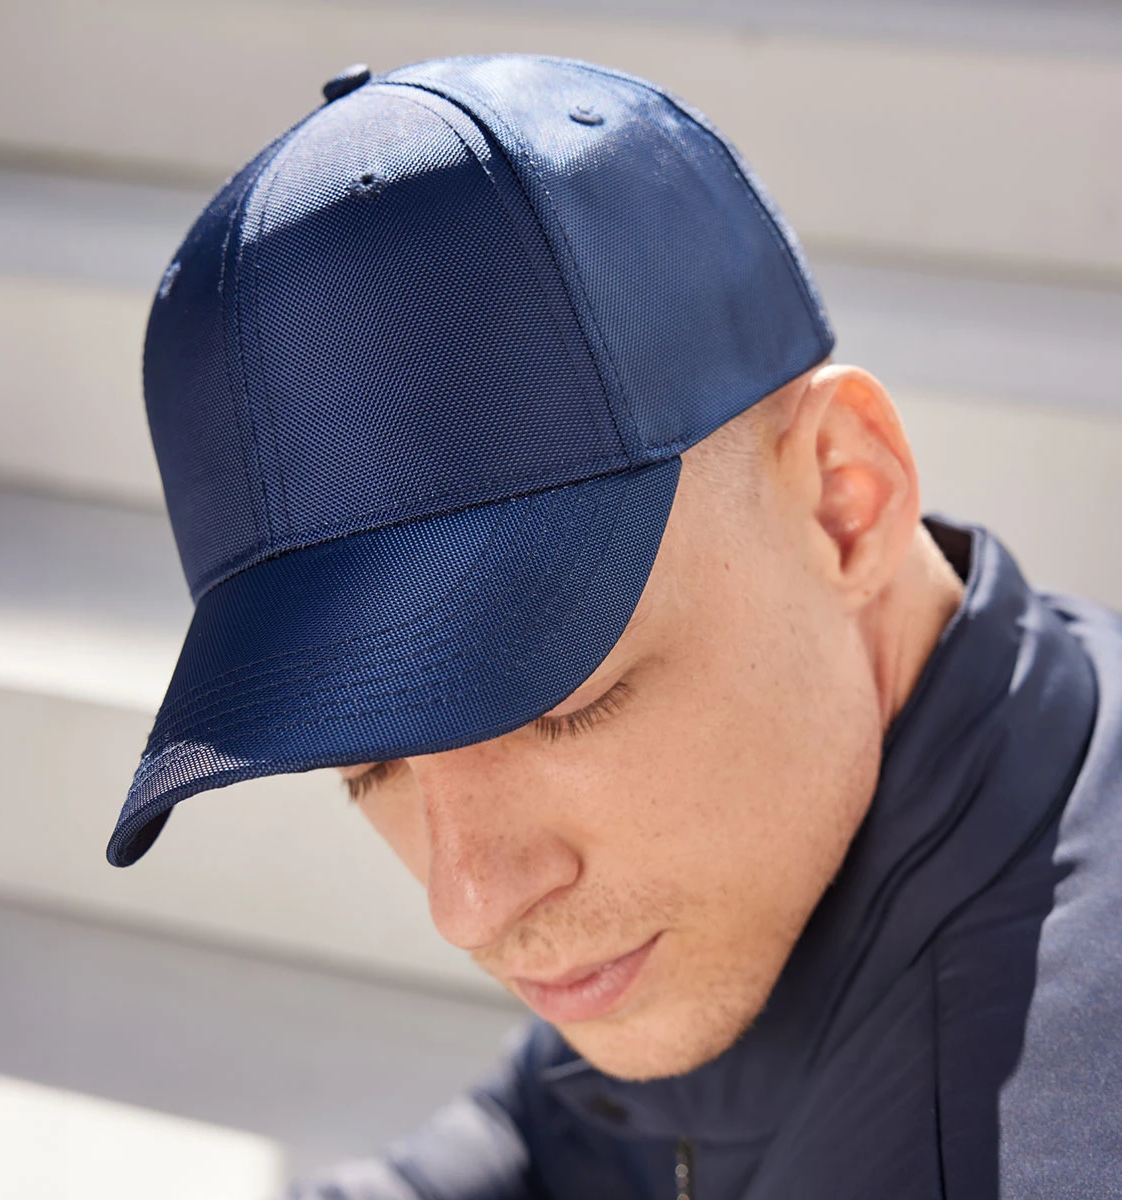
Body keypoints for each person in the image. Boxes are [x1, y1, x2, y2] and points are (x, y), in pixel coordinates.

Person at [107, 55, 1122, 1198]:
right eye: (366, 762)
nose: (468, 902)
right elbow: (552, 1136)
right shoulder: (762, 869)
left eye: (558, 701)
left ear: (847, 500)